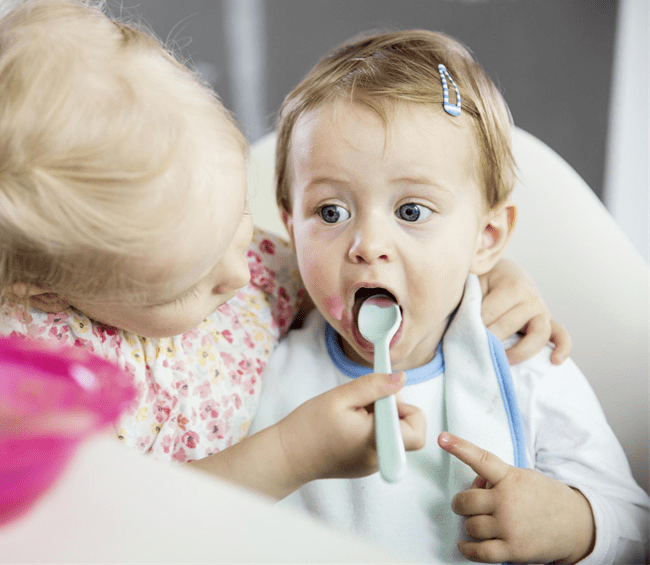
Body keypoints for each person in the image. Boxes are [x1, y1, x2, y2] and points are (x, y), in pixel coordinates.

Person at [0, 0, 568, 500]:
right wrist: (290, 453)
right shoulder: (37, 384)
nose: (244, 273)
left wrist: (481, 278)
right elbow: (119, 526)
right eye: (192, 283)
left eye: (238, 224)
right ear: (50, 288)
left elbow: (353, 263)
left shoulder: (236, 258)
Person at [250, 29, 650, 563]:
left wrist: (575, 523)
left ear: (486, 238)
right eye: (330, 212)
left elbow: (636, 529)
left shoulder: (524, 368)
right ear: (290, 228)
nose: (367, 245)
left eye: (411, 211)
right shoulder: (257, 353)